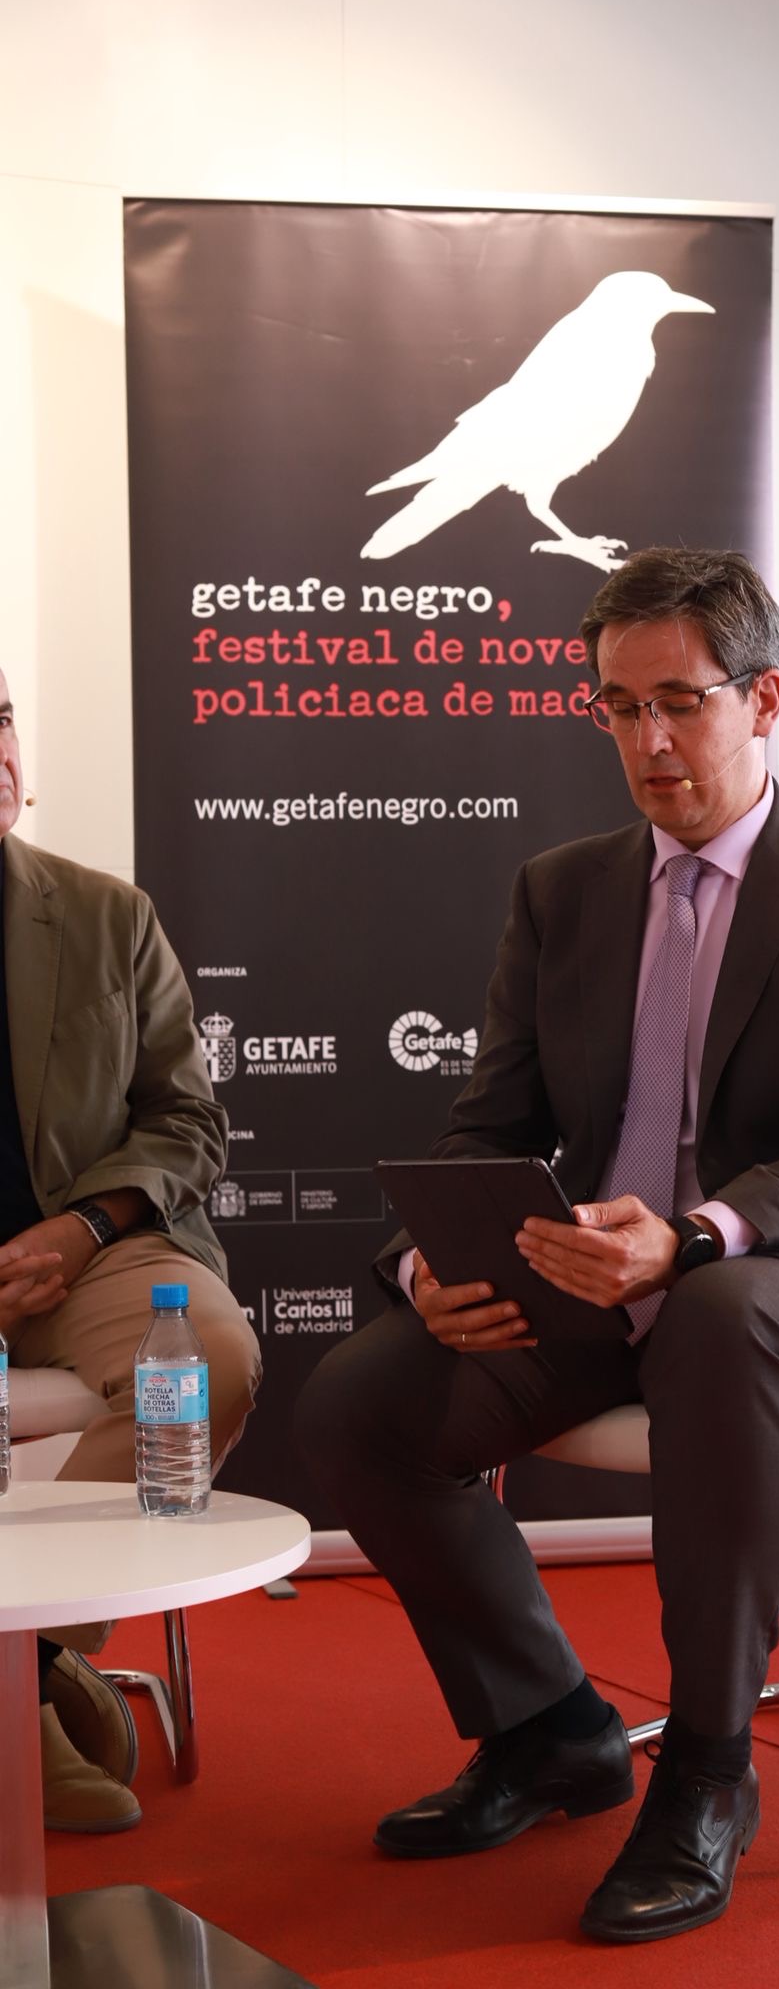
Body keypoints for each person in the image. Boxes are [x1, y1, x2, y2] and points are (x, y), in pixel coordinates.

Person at [297, 549, 779, 1942]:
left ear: (763, 699)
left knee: (723, 1314)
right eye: (617, 706)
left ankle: (710, 1774)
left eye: (679, 700)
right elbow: (491, 1127)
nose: (647, 739)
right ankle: (550, 1725)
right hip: (602, 1279)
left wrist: (694, 1236)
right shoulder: (563, 890)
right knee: (362, 1404)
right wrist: (431, 1264)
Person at [0, 670, 261, 1831]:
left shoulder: (105, 913)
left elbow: (187, 1120)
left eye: (0, 719)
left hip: (84, 1250)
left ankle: (30, 1662)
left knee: (204, 1357)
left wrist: (86, 1224)